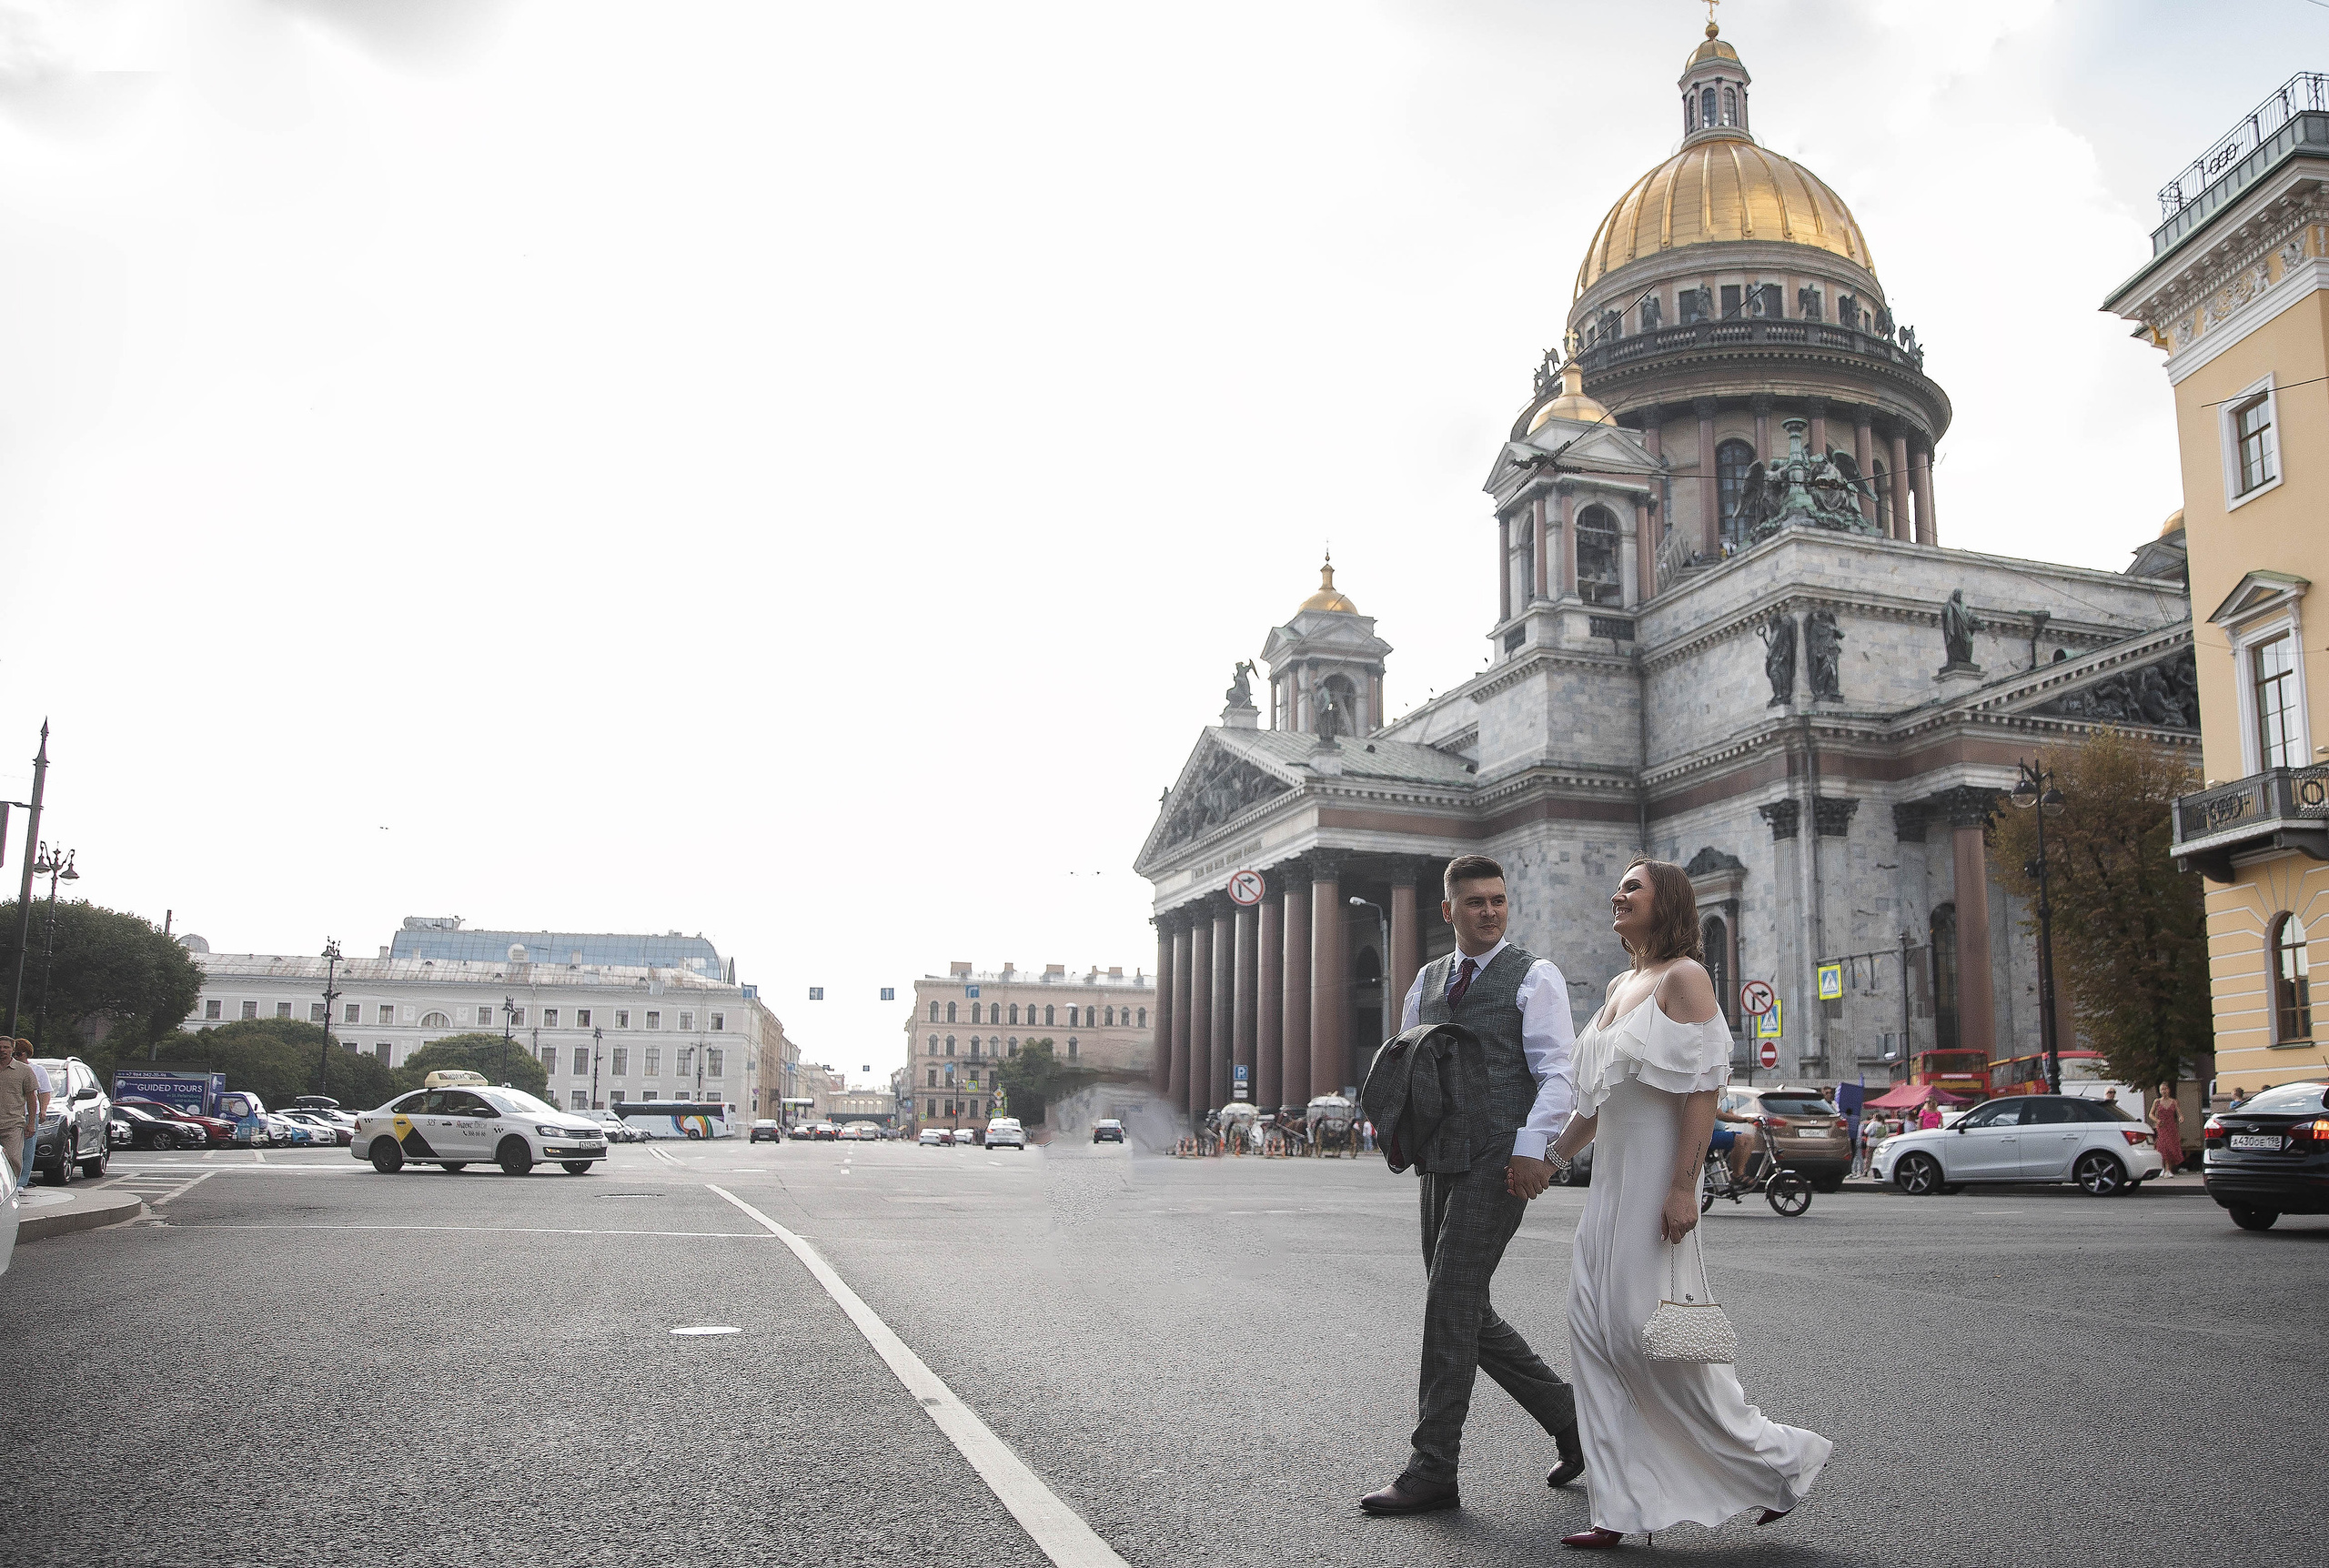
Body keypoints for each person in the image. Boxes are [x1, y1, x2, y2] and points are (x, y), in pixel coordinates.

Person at [1547, 858, 1830, 1549]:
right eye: (1618, 885)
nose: (1618, 893)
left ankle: (1781, 1460)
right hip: (1608, 1187)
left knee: (1652, 1343)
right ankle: (1616, 1508)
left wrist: (1683, 1186)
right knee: (1594, 1334)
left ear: (1665, 900)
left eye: (1633, 887)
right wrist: (1547, 1160)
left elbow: (1703, 1087)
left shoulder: (1684, 977)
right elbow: (1597, 1099)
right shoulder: (1620, 984)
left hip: (1653, 1180)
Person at [1356, 853, 1585, 1516]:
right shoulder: (1426, 980)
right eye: (1477, 902)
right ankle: (1571, 1419)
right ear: (1448, 909)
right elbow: (1406, 1064)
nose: (1490, 911)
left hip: (1498, 1157)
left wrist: (1533, 1151)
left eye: (1499, 900)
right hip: (1439, 1159)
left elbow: (1557, 1074)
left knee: (1450, 1299)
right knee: (1461, 1306)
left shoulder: (1533, 976)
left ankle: (1434, 1468)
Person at [1, 1040, 40, 1190]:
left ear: (12, 1049)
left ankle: (11, 1187)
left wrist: (31, 1123)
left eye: (6, 1047)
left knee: (13, 1158)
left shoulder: (24, 1070)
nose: (2, 1050)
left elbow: (32, 1097)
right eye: (0, 1047)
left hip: (13, 1123)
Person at [2152, 1086, 2184, 1176]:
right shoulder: (2157, 1102)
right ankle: (2164, 1168)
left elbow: (2179, 1113)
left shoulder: (2174, 1102)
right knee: (2162, 1147)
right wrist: (2157, 1120)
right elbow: (2151, 1114)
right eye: (2162, 1089)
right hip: (2162, 1126)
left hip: (2171, 1127)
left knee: (2171, 1147)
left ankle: (2168, 1169)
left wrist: (2181, 1118)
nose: (2164, 1091)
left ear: (2169, 1090)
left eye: (2165, 1089)